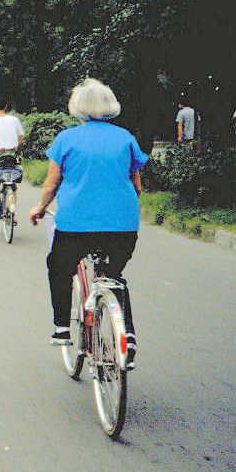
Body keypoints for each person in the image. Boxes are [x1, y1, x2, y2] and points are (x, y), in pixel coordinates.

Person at [28, 78, 148, 370]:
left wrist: (40, 208)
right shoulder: (125, 138)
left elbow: (51, 183)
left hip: (76, 227)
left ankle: (62, 328)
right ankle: (127, 336)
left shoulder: (67, 139)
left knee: (59, 265)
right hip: (123, 227)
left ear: (77, 107)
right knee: (113, 276)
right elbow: (137, 186)